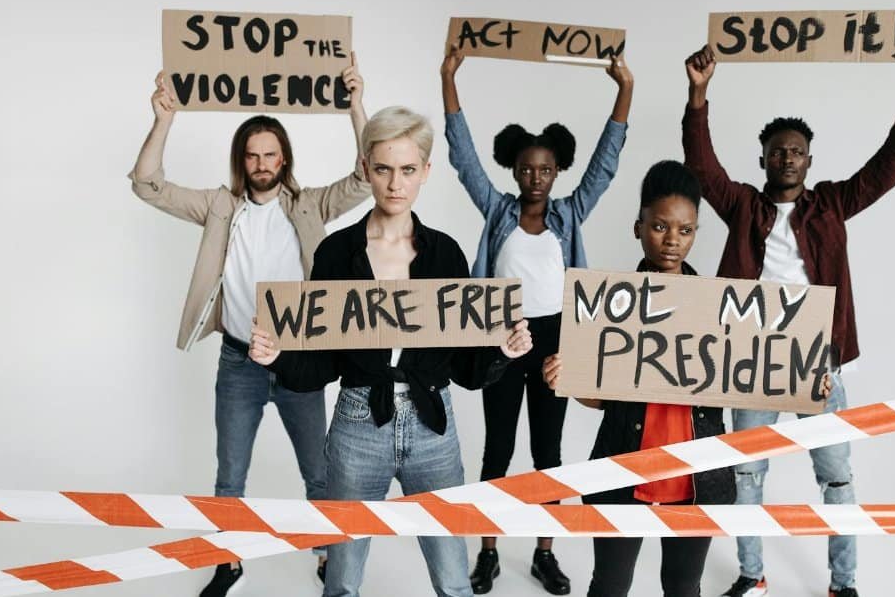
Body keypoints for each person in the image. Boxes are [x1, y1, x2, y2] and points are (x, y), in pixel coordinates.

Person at [682, 40, 895, 597]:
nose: (786, 159)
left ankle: (842, 583)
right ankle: (752, 574)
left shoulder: (830, 204)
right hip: (752, 358)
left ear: (808, 159)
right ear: (764, 160)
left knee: (837, 476)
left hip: (817, 358)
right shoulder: (743, 206)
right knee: (747, 474)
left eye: (795, 151)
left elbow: (885, 171)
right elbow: (703, 169)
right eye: (777, 152)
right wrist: (698, 97)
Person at [249, 106, 534, 597]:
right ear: (365, 169)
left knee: (453, 581)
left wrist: (502, 351)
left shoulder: (445, 254)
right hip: (359, 423)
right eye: (383, 169)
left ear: (426, 171)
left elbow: (466, 368)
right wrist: (276, 356)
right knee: (340, 582)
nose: (395, 184)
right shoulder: (337, 253)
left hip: (433, 429)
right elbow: (320, 362)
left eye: (406, 170)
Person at [128, 57, 372, 597]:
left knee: (320, 474)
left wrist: (355, 104)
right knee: (229, 477)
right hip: (238, 361)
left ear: (284, 157)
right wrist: (163, 119)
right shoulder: (220, 206)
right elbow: (147, 185)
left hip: (298, 362)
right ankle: (228, 561)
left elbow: (365, 177)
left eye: (270, 153)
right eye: (252, 154)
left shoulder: (309, 205)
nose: (261, 162)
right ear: (243, 159)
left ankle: (330, 557)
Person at [543, 161, 835, 597]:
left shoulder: (719, 305)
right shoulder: (610, 304)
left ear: (696, 232)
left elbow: (750, 375)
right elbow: (602, 398)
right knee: (609, 586)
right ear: (638, 227)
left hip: (697, 480)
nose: (672, 241)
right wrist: (565, 378)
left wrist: (800, 378)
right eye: (660, 227)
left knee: (683, 587)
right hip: (624, 470)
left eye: (685, 230)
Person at [440, 44, 633, 595]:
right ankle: (489, 551)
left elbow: (606, 165)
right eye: (527, 168)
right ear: (515, 169)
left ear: (557, 171)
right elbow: (462, 158)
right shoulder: (497, 209)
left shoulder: (569, 214)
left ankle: (546, 552)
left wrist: (624, 88)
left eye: (546, 169)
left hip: (554, 342)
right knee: (497, 449)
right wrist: (449, 77)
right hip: (503, 337)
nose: (536, 177)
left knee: (548, 453)